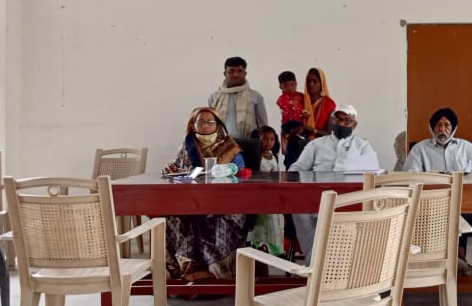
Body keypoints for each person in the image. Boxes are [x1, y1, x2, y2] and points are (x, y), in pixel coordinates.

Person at [404, 106, 472, 274]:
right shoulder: (420, 149)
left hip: (465, 200)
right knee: (454, 207)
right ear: (432, 127)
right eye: (438, 125)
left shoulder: (467, 148)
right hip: (432, 202)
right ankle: (442, 257)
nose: (442, 129)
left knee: (460, 205)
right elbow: (411, 177)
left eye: (447, 125)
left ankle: (459, 255)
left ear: (453, 127)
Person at [161, 106, 249, 280]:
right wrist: (170, 170)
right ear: (193, 124)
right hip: (189, 201)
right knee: (173, 216)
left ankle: (214, 269)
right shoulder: (187, 145)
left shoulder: (230, 147)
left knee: (209, 218)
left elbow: (240, 176)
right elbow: (176, 168)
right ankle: (181, 266)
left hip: (224, 202)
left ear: (218, 125)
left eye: (210, 121)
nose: (205, 125)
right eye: (200, 121)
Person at [288, 104, 380, 264]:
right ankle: (314, 264)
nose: (342, 124)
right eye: (339, 119)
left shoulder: (363, 146)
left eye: (347, 120)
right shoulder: (316, 144)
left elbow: (373, 174)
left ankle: (339, 266)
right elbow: (295, 170)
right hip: (316, 198)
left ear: (354, 125)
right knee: (299, 211)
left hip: (351, 199)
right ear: (333, 121)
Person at [208, 56, 269, 140]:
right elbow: (210, 124)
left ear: (245, 73)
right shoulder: (214, 97)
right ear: (225, 73)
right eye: (231, 71)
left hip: (249, 144)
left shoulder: (256, 96)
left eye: (240, 71)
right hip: (222, 144)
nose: (235, 75)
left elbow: (263, 126)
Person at [249, 126, 285, 254]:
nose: (268, 142)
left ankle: (273, 251)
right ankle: (257, 248)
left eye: (272, 139)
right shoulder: (255, 157)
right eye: (264, 139)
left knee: (273, 222)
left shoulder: (274, 157)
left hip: (272, 195)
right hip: (260, 195)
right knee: (261, 223)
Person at [302, 67, 336, 137]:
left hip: (320, 142)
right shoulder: (301, 101)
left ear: (321, 84)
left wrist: (312, 130)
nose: (311, 84)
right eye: (308, 81)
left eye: (315, 81)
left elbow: (330, 133)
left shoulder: (329, 103)